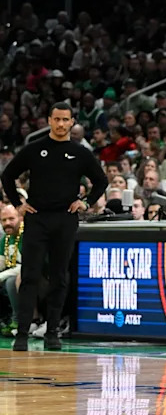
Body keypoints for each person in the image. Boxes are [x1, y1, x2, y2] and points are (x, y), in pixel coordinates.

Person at [0, 102, 108, 351]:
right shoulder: (35, 149)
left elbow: (101, 181)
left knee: (60, 276)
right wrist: (18, 203)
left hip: (65, 218)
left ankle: (52, 332)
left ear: (72, 122)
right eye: (56, 119)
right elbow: (7, 176)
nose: (61, 124)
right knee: (29, 275)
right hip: (36, 218)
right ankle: (23, 335)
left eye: (65, 120)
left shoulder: (80, 152)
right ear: (49, 120)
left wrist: (86, 202)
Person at [0, 203, 22, 336]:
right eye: (3, 220)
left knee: (10, 281)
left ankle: (17, 320)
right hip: (12, 274)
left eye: (11, 219)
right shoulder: (5, 239)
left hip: (35, 279)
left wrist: (1, 276)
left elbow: (26, 266)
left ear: (20, 218)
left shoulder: (27, 235)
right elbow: (2, 261)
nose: (7, 223)